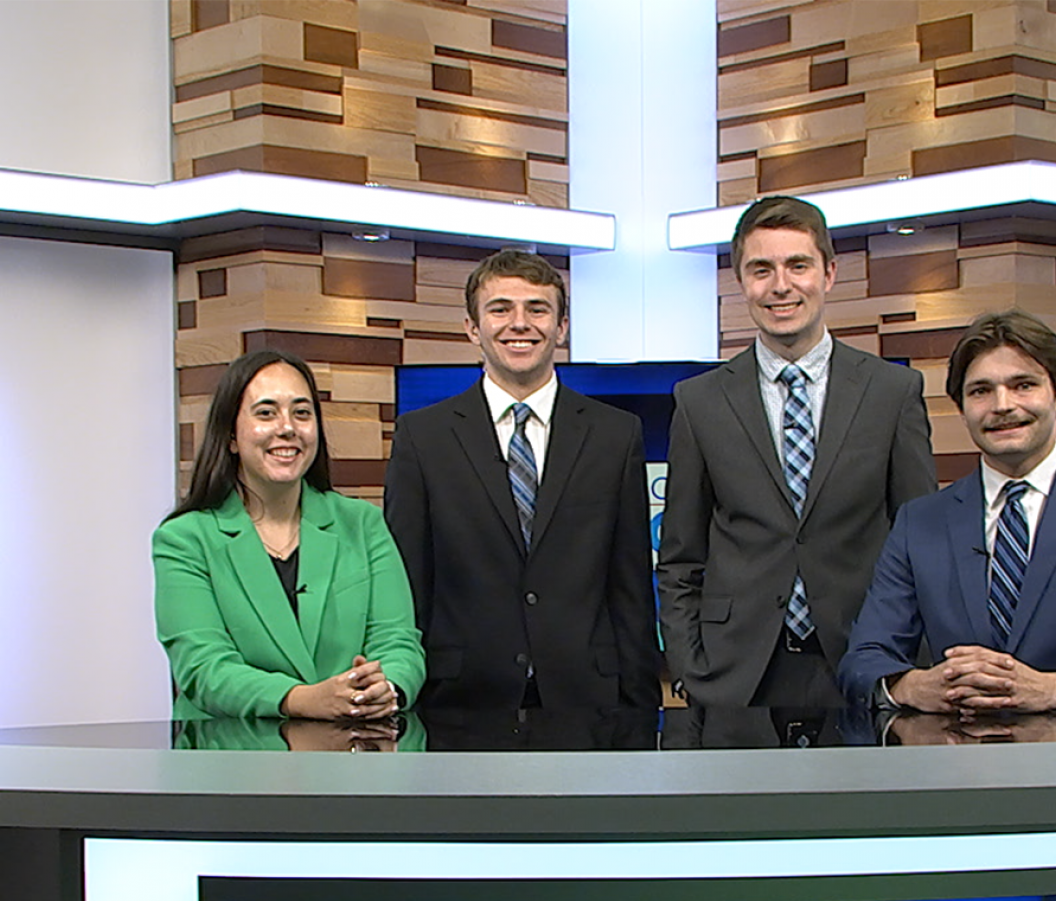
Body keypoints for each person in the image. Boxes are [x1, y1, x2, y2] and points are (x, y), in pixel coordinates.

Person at [839, 310, 1056, 712]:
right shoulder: (920, 522)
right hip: (959, 766)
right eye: (980, 391)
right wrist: (914, 686)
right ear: (961, 408)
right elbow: (863, 661)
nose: (1002, 405)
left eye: (1023, 385)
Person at [657, 195, 936, 708]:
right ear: (740, 281)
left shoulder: (892, 393)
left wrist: (910, 663)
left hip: (865, 662)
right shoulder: (699, 401)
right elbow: (680, 557)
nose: (780, 286)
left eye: (797, 266)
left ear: (829, 274)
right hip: (736, 673)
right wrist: (691, 668)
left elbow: (920, 542)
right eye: (761, 269)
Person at [384, 248, 658, 709]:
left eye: (537, 309)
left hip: (587, 698)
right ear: (473, 328)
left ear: (561, 327)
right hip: (458, 699)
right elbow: (409, 582)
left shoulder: (616, 434)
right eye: (500, 309)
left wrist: (641, 703)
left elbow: (629, 585)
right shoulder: (422, 437)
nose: (520, 323)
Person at [153, 350, 425, 719]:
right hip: (229, 760)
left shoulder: (362, 523)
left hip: (352, 760)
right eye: (266, 413)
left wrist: (387, 686)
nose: (287, 427)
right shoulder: (184, 539)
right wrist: (304, 699)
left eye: (301, 413)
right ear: (230, 435)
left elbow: (399, 642)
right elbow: (203, 669)